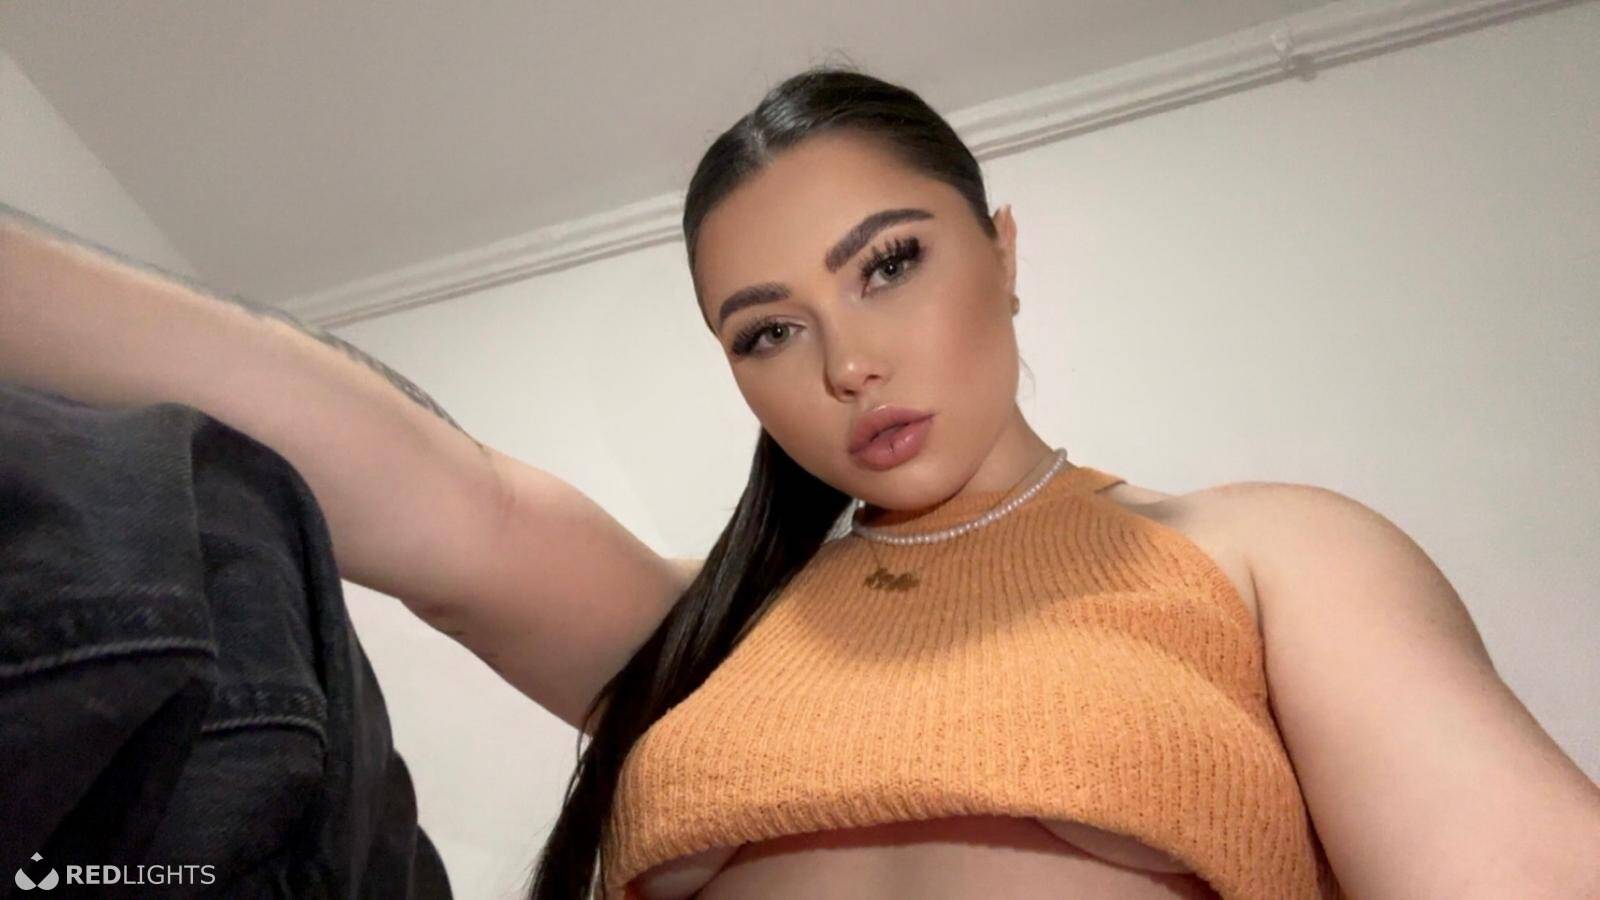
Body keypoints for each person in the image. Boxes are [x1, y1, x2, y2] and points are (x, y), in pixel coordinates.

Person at [1, 63, 1595, 900]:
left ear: (1004, 253)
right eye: (767, 330)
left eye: (888, 264)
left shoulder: (1259, 551)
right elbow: (415, 481)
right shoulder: (707, 638)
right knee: (196, 524)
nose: (845, 365)